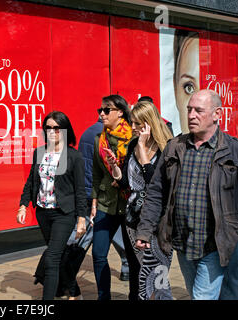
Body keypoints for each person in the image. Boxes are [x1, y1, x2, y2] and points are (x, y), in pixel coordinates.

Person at [136, 89, 238, 300]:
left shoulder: (232, 150)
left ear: (217, 114)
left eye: (199, 111)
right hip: (182, 242)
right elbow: (156, 192)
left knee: (201, 297)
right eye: (189, 109)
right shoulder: (175, 147)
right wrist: (145, 230)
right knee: (197, 293)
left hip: (215, 245)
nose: (191, 115)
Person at [106, 100, 174, 299]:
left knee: (158, 276)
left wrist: (144, 151)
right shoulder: (134, 144)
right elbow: (128, 182)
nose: (133, 128)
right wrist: (115, 168)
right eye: (132, 123)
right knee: (136, 274)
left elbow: (156, 185)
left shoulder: (167, 148)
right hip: (132, 220)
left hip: (157, 223)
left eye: (137, 124)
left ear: (149, 123)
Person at [17, 111, 87, 300]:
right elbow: (31, 182)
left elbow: (81, 190)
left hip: (64, 214)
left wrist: (81, 218)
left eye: (57, 128)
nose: (52, 131)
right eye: (48, 128)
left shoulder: (73, 156)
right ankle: (74, 291)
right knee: (59, 255)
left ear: (64, 130)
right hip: (43, 213)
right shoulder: (39, 152)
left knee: (52, 258)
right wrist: (23, 205)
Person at [90, 94, 140, 300]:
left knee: (133, 256)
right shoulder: (98, 141)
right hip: (106, 203)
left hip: (129, 203)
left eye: (106, 110)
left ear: (120, 112)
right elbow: (96, 173)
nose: (102, 114)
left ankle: (134, 296)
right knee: (98, 254)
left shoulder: (134, 139)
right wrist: (93, 202)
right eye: (100, 110)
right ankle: (104, 297)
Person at [79, 117, 132, 282]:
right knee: (86, 236)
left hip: (91, 190)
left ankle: (126, 267)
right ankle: (67, 267)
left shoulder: (88, 132)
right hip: (103, 194)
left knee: (104, 232)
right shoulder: (105, 136)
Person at [173, 30, 200, 134]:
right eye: (189, 88)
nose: (198, 104)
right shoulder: (171, 148)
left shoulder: (232, 147)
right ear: (175, 90)